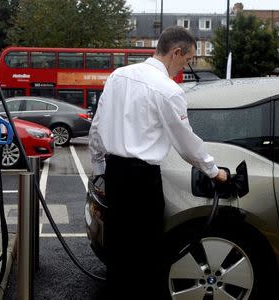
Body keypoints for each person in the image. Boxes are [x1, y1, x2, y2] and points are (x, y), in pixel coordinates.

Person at [88, 26, 228, 298]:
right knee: (146, 253)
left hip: (115, 174)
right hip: (143, 180)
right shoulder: (168, 90)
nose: (184, 67)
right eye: (187, 60)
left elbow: (97, 128)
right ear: (176, 52)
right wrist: (214, 171)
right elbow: (186, 142)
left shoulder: (118, 76)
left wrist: (99, 171)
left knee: (118, 251)